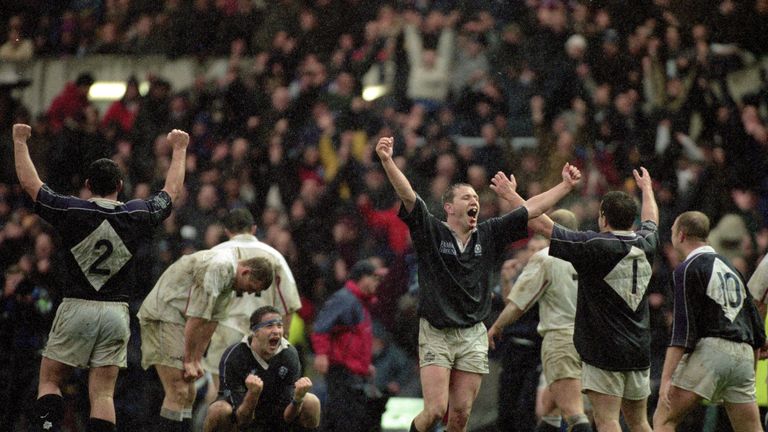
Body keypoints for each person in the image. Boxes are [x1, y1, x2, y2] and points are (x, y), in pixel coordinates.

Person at [374, 136, 582, 432]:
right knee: (435, 411)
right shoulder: (431, 231)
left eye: (476, 197)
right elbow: (409, 196)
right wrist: (387, 160)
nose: (475, 201)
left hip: (473, 333)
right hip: (437, 331)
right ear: (448, 207)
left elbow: (531, 209)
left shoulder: (488, 233)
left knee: (460, 415)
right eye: (466, 197)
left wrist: (565, 186)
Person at [12, 124, 189, 432]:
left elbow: (31, 184)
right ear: (120, 185)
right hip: (116, 314)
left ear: (88, 185)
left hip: (76, 307)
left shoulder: (72, 209)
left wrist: (19, 141)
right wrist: (179, 149)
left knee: (51, 380)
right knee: (103, 393)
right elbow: (170, 193)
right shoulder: (135, 215)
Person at [526, 167, 659, 432]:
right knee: (640, 422)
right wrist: (647, 190)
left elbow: (536, 221)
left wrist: (510, 195)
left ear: (602, 217)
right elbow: (651, 219)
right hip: (638, 349)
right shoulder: (647, 242)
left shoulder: (594, 246)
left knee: (607, 419)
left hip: (605, 350)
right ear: (631, 220)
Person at [137, 249, 274, 432]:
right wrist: (189, 360)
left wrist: (197, 360)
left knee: (189, 393)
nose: (248, 293)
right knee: (178, 390)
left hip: (178, 320)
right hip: (163, 314)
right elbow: (197, 318)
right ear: (245, 272)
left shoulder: (231, 282)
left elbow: (211, 322)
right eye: (251, 287)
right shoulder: (221, 267)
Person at [653, 211, 765, 432]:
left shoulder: (687, 269)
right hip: (743, 354)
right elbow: (754, 323)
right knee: (750, 429)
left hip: (714, 350)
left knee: (663, 418)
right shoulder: (731, 267)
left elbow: (682, 333)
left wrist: (665, 380)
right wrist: (750, 367)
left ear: (681, 235)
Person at [486, 205, 592, 432]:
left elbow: (517, 304)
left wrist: (496, 325)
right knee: (548, 409)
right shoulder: (591, 255)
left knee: (573, 412)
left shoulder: (546, 258)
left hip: (559, 339)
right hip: (586, 339)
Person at [202, 208, 301, 399]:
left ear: (227, 230)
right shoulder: (274, 256)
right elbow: (289, 304)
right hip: (261, 335)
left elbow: (201, 305)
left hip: (224, 331)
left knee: (219, 394)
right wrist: (282, 339)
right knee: (263, 396)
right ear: (254, 229)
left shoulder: (214, 254)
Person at [203, 306, 321, 432]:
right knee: (218, 410)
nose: (276, 331)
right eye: (269, 326)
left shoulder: (289, 354)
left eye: (279, 326)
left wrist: (298, 398)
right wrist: (253, 395)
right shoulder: (234, 356)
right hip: (244, 421)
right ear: (254, 332)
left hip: (277, 419)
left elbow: (288, 417)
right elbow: (241, 419)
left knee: (311, 402)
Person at [310, 259, 389, 432]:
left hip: (353, 375)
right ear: (362, 278)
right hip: (343, 374)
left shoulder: (360, 302)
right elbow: (321, 328)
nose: (377, 283)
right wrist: (322, 354)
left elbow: (354, 339)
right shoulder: (345, 299)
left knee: (337, 420)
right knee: (346, 421)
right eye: (374, 278)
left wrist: (364, 366)